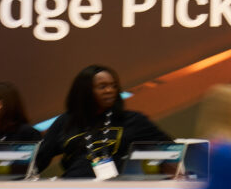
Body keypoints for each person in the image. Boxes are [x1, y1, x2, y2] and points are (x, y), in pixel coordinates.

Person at [35, 65, 167, 180]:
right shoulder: (66, 121)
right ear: (85, 91)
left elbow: (169, 150)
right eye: (102, 87)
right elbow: (38, 161)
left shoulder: (132, 120)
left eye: (113, 86)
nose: (110, 90)